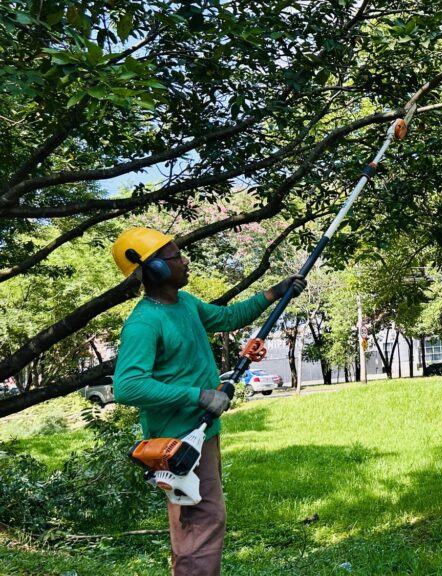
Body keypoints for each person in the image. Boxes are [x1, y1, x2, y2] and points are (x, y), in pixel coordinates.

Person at [110, 227, 305, 575]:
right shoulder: (145, 322)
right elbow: (128, 387)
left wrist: (277, 291)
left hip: (201, 432)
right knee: (200, 521)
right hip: (178, 437)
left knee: (198, 520)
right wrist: (198, 395)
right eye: (174, 256)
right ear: (153, 269)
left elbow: (229, 318)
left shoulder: (185, 304)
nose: (185, 261)